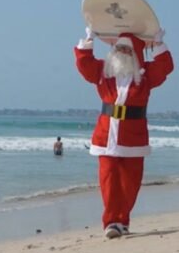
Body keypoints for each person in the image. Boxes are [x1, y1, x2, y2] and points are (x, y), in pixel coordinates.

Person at [74, 27, 173, 239]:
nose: (122, 52)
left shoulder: (145, 75)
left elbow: (165, 67)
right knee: (108, 180)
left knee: (130, 183)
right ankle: (111, 222)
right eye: (119, 48)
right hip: (106, 135)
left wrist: (158, 44)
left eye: (127, 49)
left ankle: (123, 220)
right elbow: (84, 65)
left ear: (135, 54)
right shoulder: (103, 71)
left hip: (133, 137)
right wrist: (89, 39)